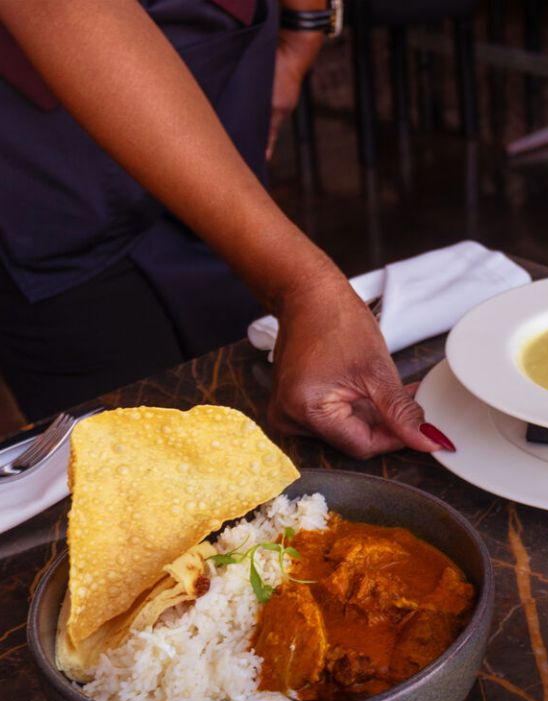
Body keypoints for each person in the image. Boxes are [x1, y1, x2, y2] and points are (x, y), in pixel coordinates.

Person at [0, 0, 450, 459]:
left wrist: (303, 29)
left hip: (223, 83)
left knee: (261, 413)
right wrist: (305, 287)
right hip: (44, 150)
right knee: (134, 456)